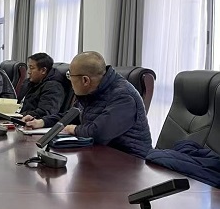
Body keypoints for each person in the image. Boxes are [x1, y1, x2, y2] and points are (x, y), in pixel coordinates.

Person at [24, 51, 153, 158]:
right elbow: (72, 115)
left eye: (70, 76)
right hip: (100, 155)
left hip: (129, 162)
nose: (69, 80)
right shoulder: (92, 91)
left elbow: (98, 133)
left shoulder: (123, 96)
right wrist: (41, 122)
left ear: (85, 80)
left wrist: (72, 129)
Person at [17, 53, 64, 118]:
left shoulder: (53, 87)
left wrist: (20, 116)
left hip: (31, 121)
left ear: (43, 70)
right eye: (29, 68)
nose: (29, 72)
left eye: (32, 68)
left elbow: (45, 112)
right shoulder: (28, 82)